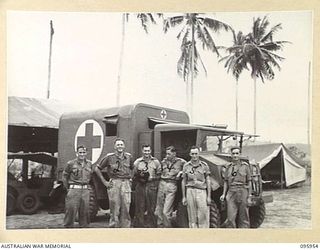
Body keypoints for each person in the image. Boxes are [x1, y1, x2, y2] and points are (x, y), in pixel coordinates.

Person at [95, 138, 133, 228]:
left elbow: (133, 167)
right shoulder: (109, 157)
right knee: (115, 208)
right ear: (114, 147)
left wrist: (130, 178)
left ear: (124, 146)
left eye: (121, 145)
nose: (120, 146)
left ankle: (125, 229)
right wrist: (105, 182)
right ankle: (114, 228)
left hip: (126, 184)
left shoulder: (128, 157)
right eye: (118, 145)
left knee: (126, 207)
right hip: (114, 183)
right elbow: (97, 169)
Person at [220, 146, 252, 228]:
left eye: (237, 153)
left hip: (243, 191)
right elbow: (226, 181)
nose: (235, 155)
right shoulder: (228, 167)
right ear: (231, 155)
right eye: (233, 153)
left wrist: (249, 196)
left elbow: (249, 181)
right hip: (231, 192)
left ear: (240, 154)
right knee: (230, 218)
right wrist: (224, 194)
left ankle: (243, 235)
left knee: (244, 217)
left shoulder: (245, 166)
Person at [62, 145, 93, 228]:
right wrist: (68, 189)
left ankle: (83, 232)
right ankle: (68, 230)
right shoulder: (71, 163)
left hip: (85, 191)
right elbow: (65, 176)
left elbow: (91, 176)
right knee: (71, 211)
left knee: (85, 212)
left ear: (86, 153)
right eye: (80, 152)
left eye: (83, 152)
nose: (82, 154)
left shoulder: (89, 164)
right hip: (74, 190)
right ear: (76, 153)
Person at [155, 146, 186, 227]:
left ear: (174, 154)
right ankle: (160, 227)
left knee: (166, 211)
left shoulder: (181, 162)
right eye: (166, 154)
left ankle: (167, 228)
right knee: (159, 209)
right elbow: (158, 172)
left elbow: (188, 168)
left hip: (172, 185)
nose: (167, 155)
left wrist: (181, 172)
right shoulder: (163, 162)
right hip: (162, 184)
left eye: (169, 154)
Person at [181, 146, 211, 228]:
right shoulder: (186, 166)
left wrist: (209, 197)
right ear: (190, 154)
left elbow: (208, 181)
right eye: (192, 154)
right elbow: (184, 181)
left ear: (199, 154)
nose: (194, 156)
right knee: (192, 216)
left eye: (196, 154)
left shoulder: (204, 165)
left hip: (201, 191)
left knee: (203, 215)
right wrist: (184, 197)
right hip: (190, 191)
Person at [133, 144, 161, 227]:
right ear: (142, 151)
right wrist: (139, 177)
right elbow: (133, 174)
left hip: (151, 186)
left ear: (151, 151)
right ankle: (139, 226)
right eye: (145, 151)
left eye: (148, 151)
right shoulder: (137, 162)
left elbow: (160, 174)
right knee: (139, 207)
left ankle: (151, 226)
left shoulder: (155, 162)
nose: (146, 152)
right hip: (140, 186)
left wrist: (153, 177)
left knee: (151, 207)